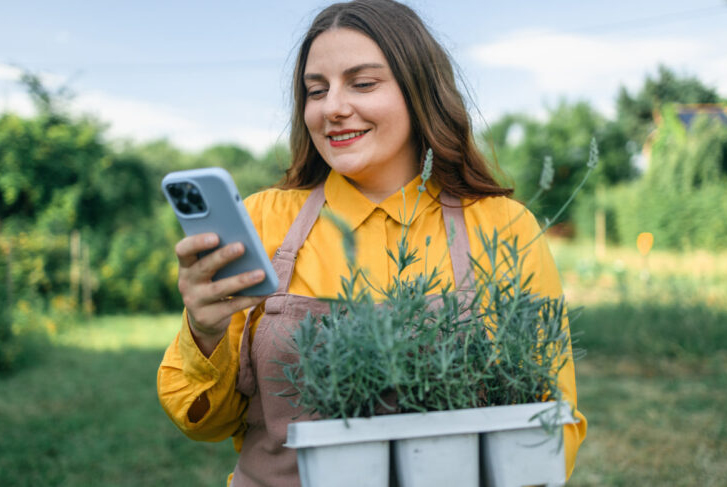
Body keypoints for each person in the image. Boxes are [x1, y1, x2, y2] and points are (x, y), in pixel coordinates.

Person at [157, 1, 587, 485]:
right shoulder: (263, 219)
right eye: (316, 90)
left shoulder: (504, 227)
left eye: (362, 83)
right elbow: (204, 422)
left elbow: (550, 423)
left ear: (419, 91)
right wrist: (205, 332)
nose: (333, 107)